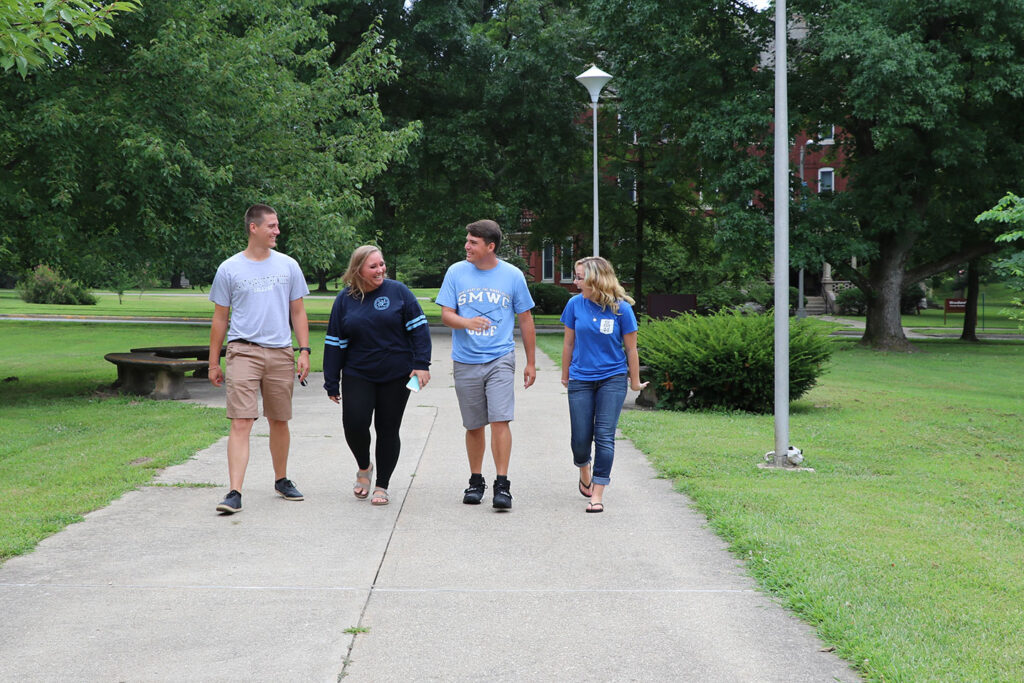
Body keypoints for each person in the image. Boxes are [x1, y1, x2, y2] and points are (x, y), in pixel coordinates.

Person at [208, 203, 311, 515]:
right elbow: (220, 319)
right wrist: (214, 362)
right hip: (243, 351)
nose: (277, 231)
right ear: (254, 228)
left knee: (279, 419)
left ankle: (281, 480)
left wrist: (303, 350)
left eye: (277, 226)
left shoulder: (288, 266)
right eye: (272, 226)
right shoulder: (229, 269)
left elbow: (298, 311)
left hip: (280, 351)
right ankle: (234, 492)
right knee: (241, 420)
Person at [436, 219, 536, 509]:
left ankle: (502, 485)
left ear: (490, 246)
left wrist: (531, 363)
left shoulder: (513, 276)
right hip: (465, 360)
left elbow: (526, 319)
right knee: (474, 424)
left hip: (500, 358)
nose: (467, 246)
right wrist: (467, 322)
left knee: (500, 419)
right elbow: (446, 314)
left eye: (473, 242)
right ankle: (475, 480)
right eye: (467, 240)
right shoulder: (456, 272)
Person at [323, 245, 432, 506]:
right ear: (358, 269)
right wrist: (331, 380)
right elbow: (334, 341)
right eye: (373, 266)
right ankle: (364, 467)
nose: (380, 270)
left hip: (396, 373)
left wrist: (422, 364)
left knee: (388, 428)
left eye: (381, 264)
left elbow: (419, 329)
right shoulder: (344, 299)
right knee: (355, 423)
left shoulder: (399, 292)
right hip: (358, 372)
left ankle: (382, 484)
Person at [560, 256, 647, 513]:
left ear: (595, 279)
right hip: (581, 379)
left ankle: (597, 493)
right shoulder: (574, 305)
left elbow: (631, 349)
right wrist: (566, 375)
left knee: (605, 436)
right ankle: (583, 469)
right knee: (580, 439)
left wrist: (635, 381)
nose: (575, 282)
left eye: (579, 277)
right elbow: (568, 343)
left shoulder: (622, 309)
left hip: (613, 378)